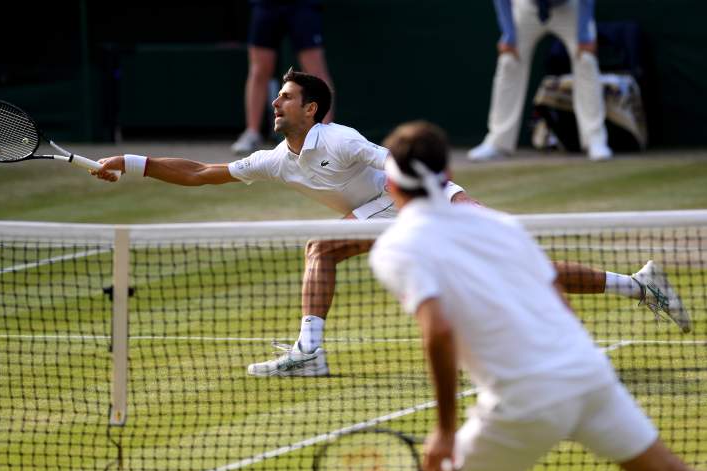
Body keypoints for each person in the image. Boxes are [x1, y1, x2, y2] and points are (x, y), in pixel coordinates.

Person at [91, 69, 690, 379]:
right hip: (389, 217)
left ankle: (635, 287)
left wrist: (429, 217)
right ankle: (310, 351)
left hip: (427, 202)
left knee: (521, 271)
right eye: (277, 98)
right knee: (320, 249)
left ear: (312, 109)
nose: (275, 105)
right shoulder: (275, 158)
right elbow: (198, 172)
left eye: (285, 98)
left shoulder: (340, 138)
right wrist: (133, 163)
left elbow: (400, 165)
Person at [369, 120, 707, 471]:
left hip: (526, 397)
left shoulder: (396, 248)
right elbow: (557, 298)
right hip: (589, 373)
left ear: (390, 187)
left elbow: (439, 331)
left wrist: (445, 430)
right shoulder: (500, 224)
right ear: (451, 176)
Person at [468, 0, 613, 162]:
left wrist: (583, 35)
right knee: (509, 61)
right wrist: (509, 34)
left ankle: (595, 139)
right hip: (527, 6)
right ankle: (498, 142)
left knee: (586, 60)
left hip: (569, 7)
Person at [231, 0, 334, 155]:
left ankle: (326, 135)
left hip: (302, 7)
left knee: (317, 72)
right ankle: (252, 132)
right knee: (259, 71)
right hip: (266, 5)